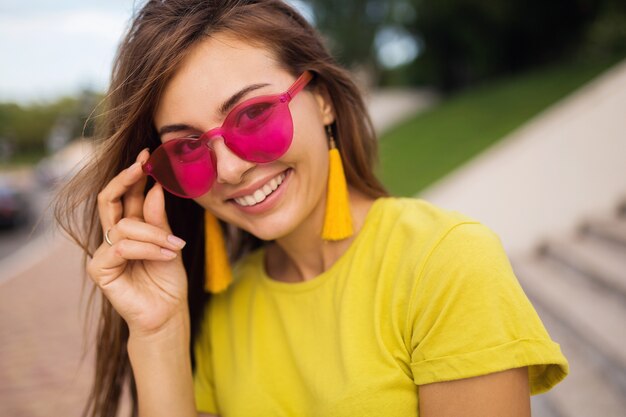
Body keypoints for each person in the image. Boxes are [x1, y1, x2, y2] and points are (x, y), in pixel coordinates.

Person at [54, 1, 568, 416]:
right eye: (188, 147)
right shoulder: (223, 311)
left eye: (253, 114)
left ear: (320, 99)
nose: (230, 169)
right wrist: (159, 331)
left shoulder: (444, 262)